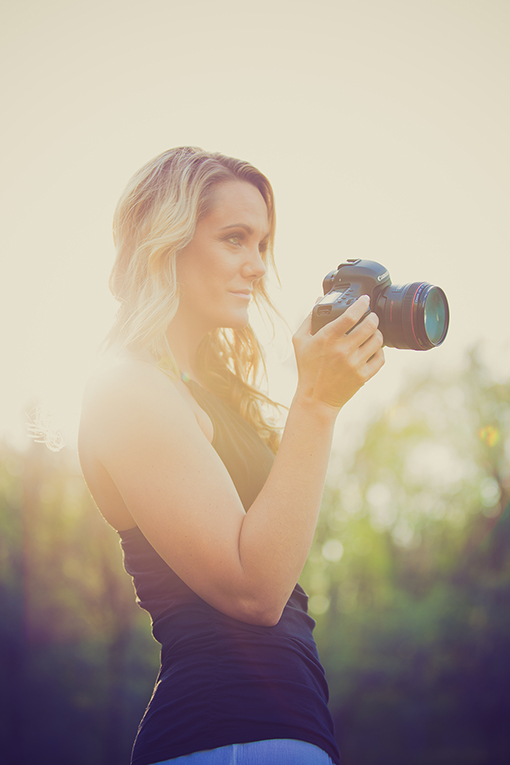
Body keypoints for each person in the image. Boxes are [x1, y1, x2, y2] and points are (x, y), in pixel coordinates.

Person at [78, 147, 385, 765]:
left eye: (262, 244)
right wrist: (317, 404)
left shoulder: (211, 395)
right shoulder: (127, 389)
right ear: (166, 243)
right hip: (227, 737)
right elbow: (255, 592)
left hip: (282, 731)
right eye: (234, 239)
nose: (257, 266)